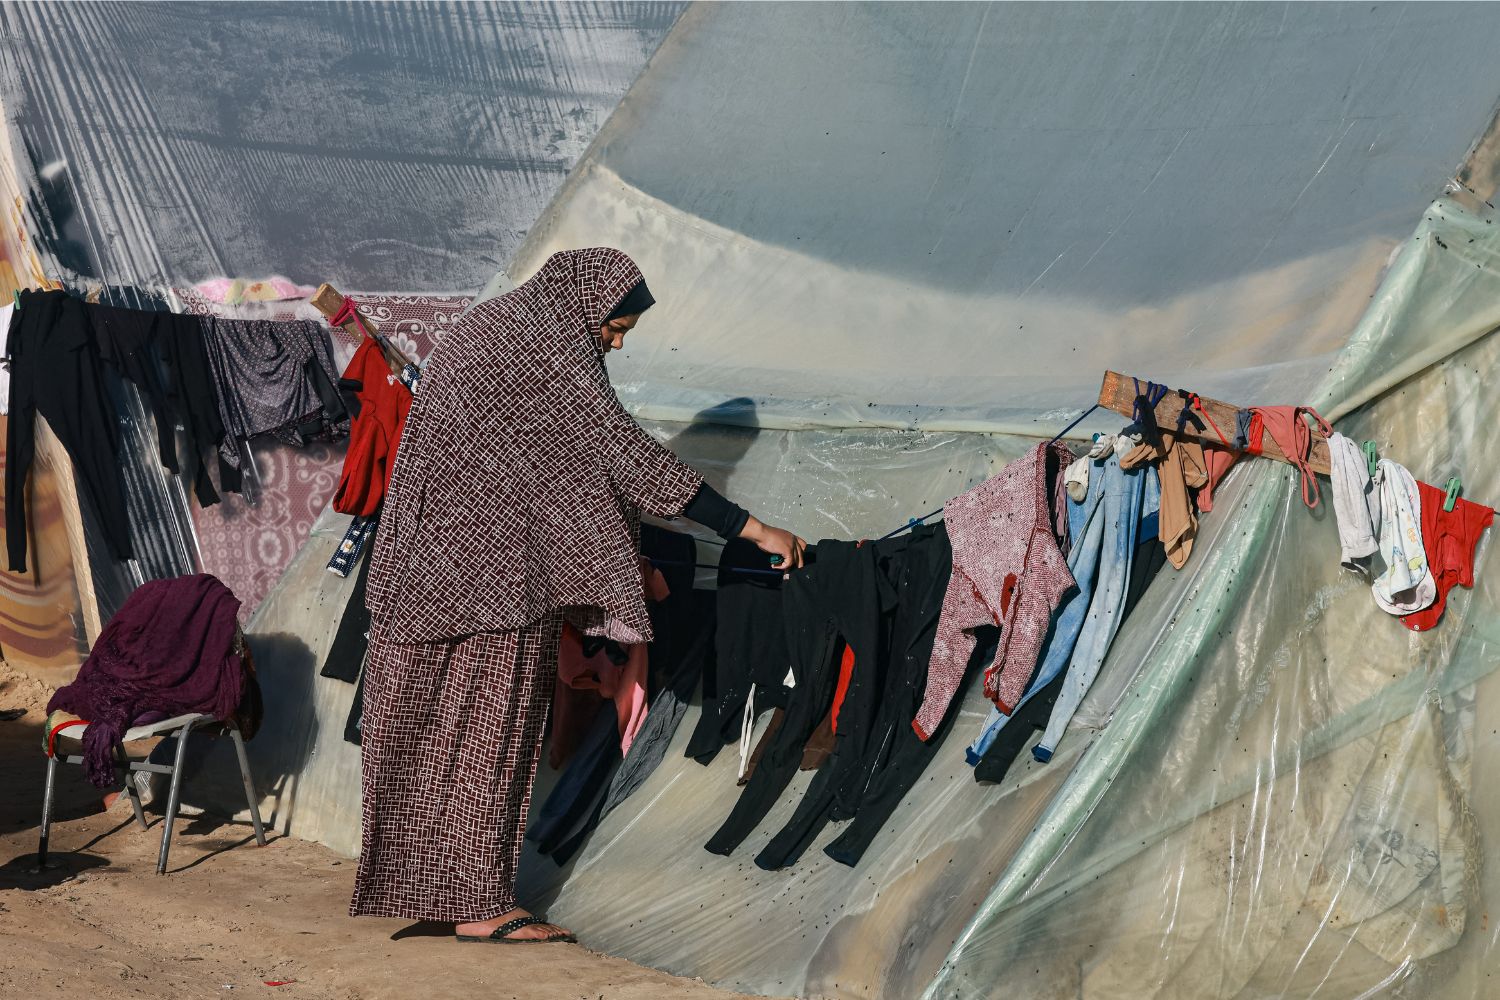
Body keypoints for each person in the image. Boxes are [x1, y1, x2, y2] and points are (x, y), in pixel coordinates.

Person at [349, 247, 805, 943]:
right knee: (488, 737)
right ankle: (478, 907)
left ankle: (435, 890)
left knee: (424, 729)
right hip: (495, 577)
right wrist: (750, 527)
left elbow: (543, 459)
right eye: (616, 327)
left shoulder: (491, 324)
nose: (618, 342)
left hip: (421, 564)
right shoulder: (550, 346)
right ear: (585, 305)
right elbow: (622, 455)